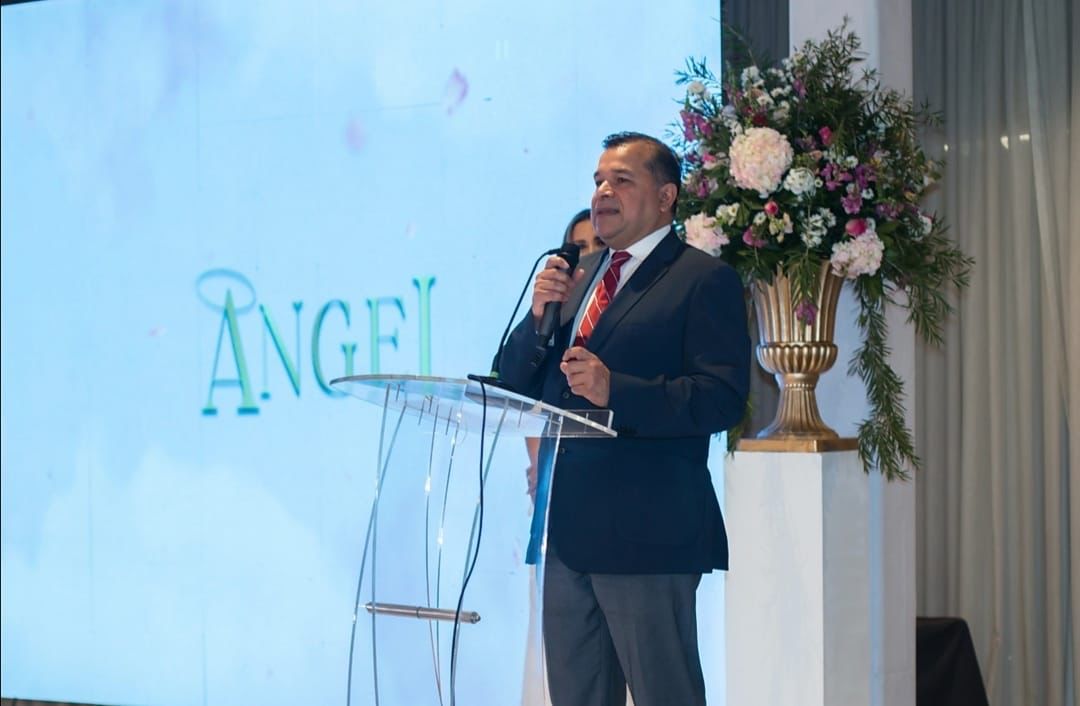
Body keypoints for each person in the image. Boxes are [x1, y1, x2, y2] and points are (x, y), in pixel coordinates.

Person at [499, 132, 750, 706]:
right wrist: (539, 317)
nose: (603, 193)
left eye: (621, 180)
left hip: (648, 536)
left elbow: (721, 399)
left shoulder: (702, 279)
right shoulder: (579, 276)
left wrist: (617, 391)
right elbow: (515, 381)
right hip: (567, 536)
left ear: (665, 197)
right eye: (598, 181)